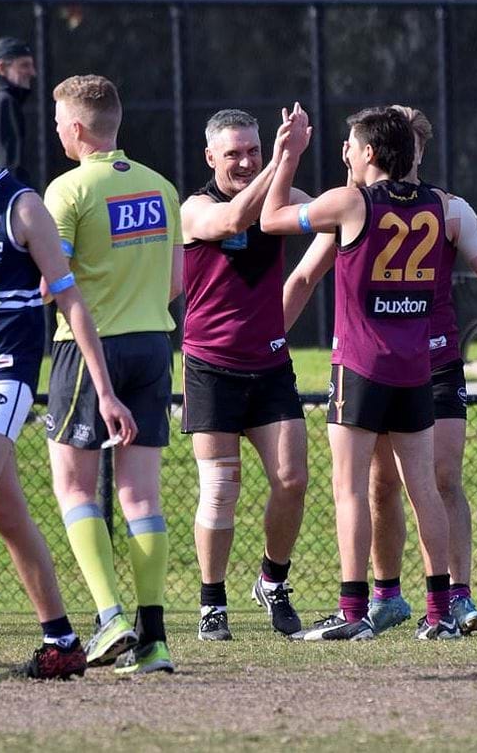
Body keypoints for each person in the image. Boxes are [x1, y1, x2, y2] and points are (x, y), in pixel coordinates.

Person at [282, 104, 477, 636]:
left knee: (436, 478)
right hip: (407, 362)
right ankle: (394, 598)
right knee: (385, 483)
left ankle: (448, 601)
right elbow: (304, 278)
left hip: (422, 361)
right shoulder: (378, 208)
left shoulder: (432, 209)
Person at [262, 104, 461, 641]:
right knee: (423, 488)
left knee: (350, 488)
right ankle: (441, 614)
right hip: (416, 368)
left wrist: (290, 155)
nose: (344, 153)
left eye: (350, 145)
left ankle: (353, 614)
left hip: (361, 366)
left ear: (369, 152)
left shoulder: (352, 202)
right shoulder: (438, 204)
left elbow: (270, 218)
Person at [0, 121, 137, 679]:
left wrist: (106, 391)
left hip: (5, 372)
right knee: (4, 512)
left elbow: (70, 300)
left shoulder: (20, 206)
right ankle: (62, 640)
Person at [42, 74, 183, 675]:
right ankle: (154, 641)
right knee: (141, 495)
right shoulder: (162, 187)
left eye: (57, 122)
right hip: (154, 344)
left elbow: (55, 282)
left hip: (86, 347)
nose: (55, 130)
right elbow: (177, 282)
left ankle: (109, 619)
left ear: (76, 129)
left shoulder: (67, 190)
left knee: (74, 488)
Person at [179, 109, 312, 641]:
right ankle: (213, 602)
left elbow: (335, 216)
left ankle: (272, 581)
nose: (244, 160)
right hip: (211, 366)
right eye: (233, 153)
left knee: (292, 480)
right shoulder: (194, 208)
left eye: (253, 149)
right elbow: (233, 221)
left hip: (271, 363)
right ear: (210, 157)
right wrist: (281, 161)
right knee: (220, 489)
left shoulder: (279, 194)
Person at [0, 37, 37, 186]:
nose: (32, 72)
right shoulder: (2, 102)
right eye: (25, 65)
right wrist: (20, 198)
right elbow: (8, 164)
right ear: (2, 68)